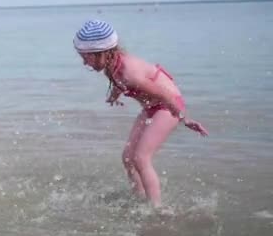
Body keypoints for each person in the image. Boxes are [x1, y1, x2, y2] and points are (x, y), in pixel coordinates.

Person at [73, 20, 208, 207]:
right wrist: (114, 95)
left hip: (167, 107)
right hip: (152, 108)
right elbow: (118, 82)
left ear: (102, 53)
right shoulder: (111, 66)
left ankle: (157, 209)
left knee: (141, 157)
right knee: (128, 157)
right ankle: (140, 197)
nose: (83, 62)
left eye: (86, 57)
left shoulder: (130, 72)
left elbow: (165, 94)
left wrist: (184, 119)